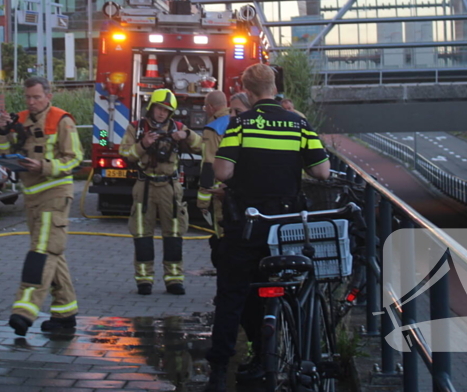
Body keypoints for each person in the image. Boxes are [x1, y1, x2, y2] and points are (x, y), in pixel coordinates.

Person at [204, 64, 331, 392]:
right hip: (285, 229)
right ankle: (298, 358)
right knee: (294, 287)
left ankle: (218, 372)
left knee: (232, 295)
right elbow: (322, 173)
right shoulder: (298, 124)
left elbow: (221, 172)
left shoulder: (241, 124)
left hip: (246, 227)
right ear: (274, 87)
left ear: (246, 91)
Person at [0, 77, 83, 336]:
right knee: (53, 253)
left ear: (49, 96)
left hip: (54, 195)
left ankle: (24, 311)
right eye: (28, 97)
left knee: (41, 253)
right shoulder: (19, 119)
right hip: (31, 197)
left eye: (36, 97)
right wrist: (1, 132)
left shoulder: (62, 120)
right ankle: (65, 315)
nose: (31, 102)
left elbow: (75, 158)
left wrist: (45, 166)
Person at [119, 88, 203, 295]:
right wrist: (142, 145)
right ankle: (144, 280)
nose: (161, 113)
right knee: (141, 234)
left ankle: (174, 279)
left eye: (166, 110)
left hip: (169, 188)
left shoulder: (178, 127)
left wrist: (187, 134)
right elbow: (124, 153)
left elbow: (202, 147)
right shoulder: (136, 128)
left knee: (174, 234)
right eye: (159, 108)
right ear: (151, 107)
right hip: (144, 187)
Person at [197, 90, 231, 245]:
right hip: (239, 186)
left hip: (220, 190)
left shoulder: (213, 128)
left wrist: (203, 201)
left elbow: (209, 163)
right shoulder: (237, 120)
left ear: (210, 107)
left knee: (222, 232)